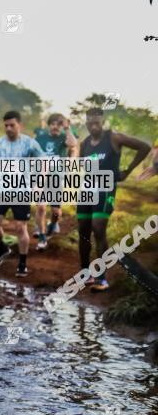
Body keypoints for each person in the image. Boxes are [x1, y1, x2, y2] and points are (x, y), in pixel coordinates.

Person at [77, 107, 151, 291]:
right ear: (86, 123)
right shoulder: (85, 143)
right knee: (83, 231)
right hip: (87, 189)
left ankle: (101, 278)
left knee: (98, 227)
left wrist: (127, 171)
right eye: (90, 122)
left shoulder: (114, 137)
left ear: (102, 121)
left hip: (105, 189)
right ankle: (85, 273)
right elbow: (82, 165)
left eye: (97, 122)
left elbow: (145, 147)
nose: (93, 125)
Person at [0, 110, 44, 277]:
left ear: (20, 125)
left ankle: (22, 263)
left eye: (12, 125)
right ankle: (2, 248)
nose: (9, 128)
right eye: (6, 126)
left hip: (22, 190)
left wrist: (38, 184)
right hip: (1, 190)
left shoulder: (30, 144)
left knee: (20, 227)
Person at [33, 113, 78, 249]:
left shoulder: (63, 138)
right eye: (53, 124)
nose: (55, 127)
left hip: (57, 179)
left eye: (58, 124)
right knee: (40, 207)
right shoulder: (40, 138)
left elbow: (73, 145)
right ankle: (42, 237)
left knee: (56, 212)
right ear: (49, 125)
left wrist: (67, 128)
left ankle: (52, 225)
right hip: (40, 176)